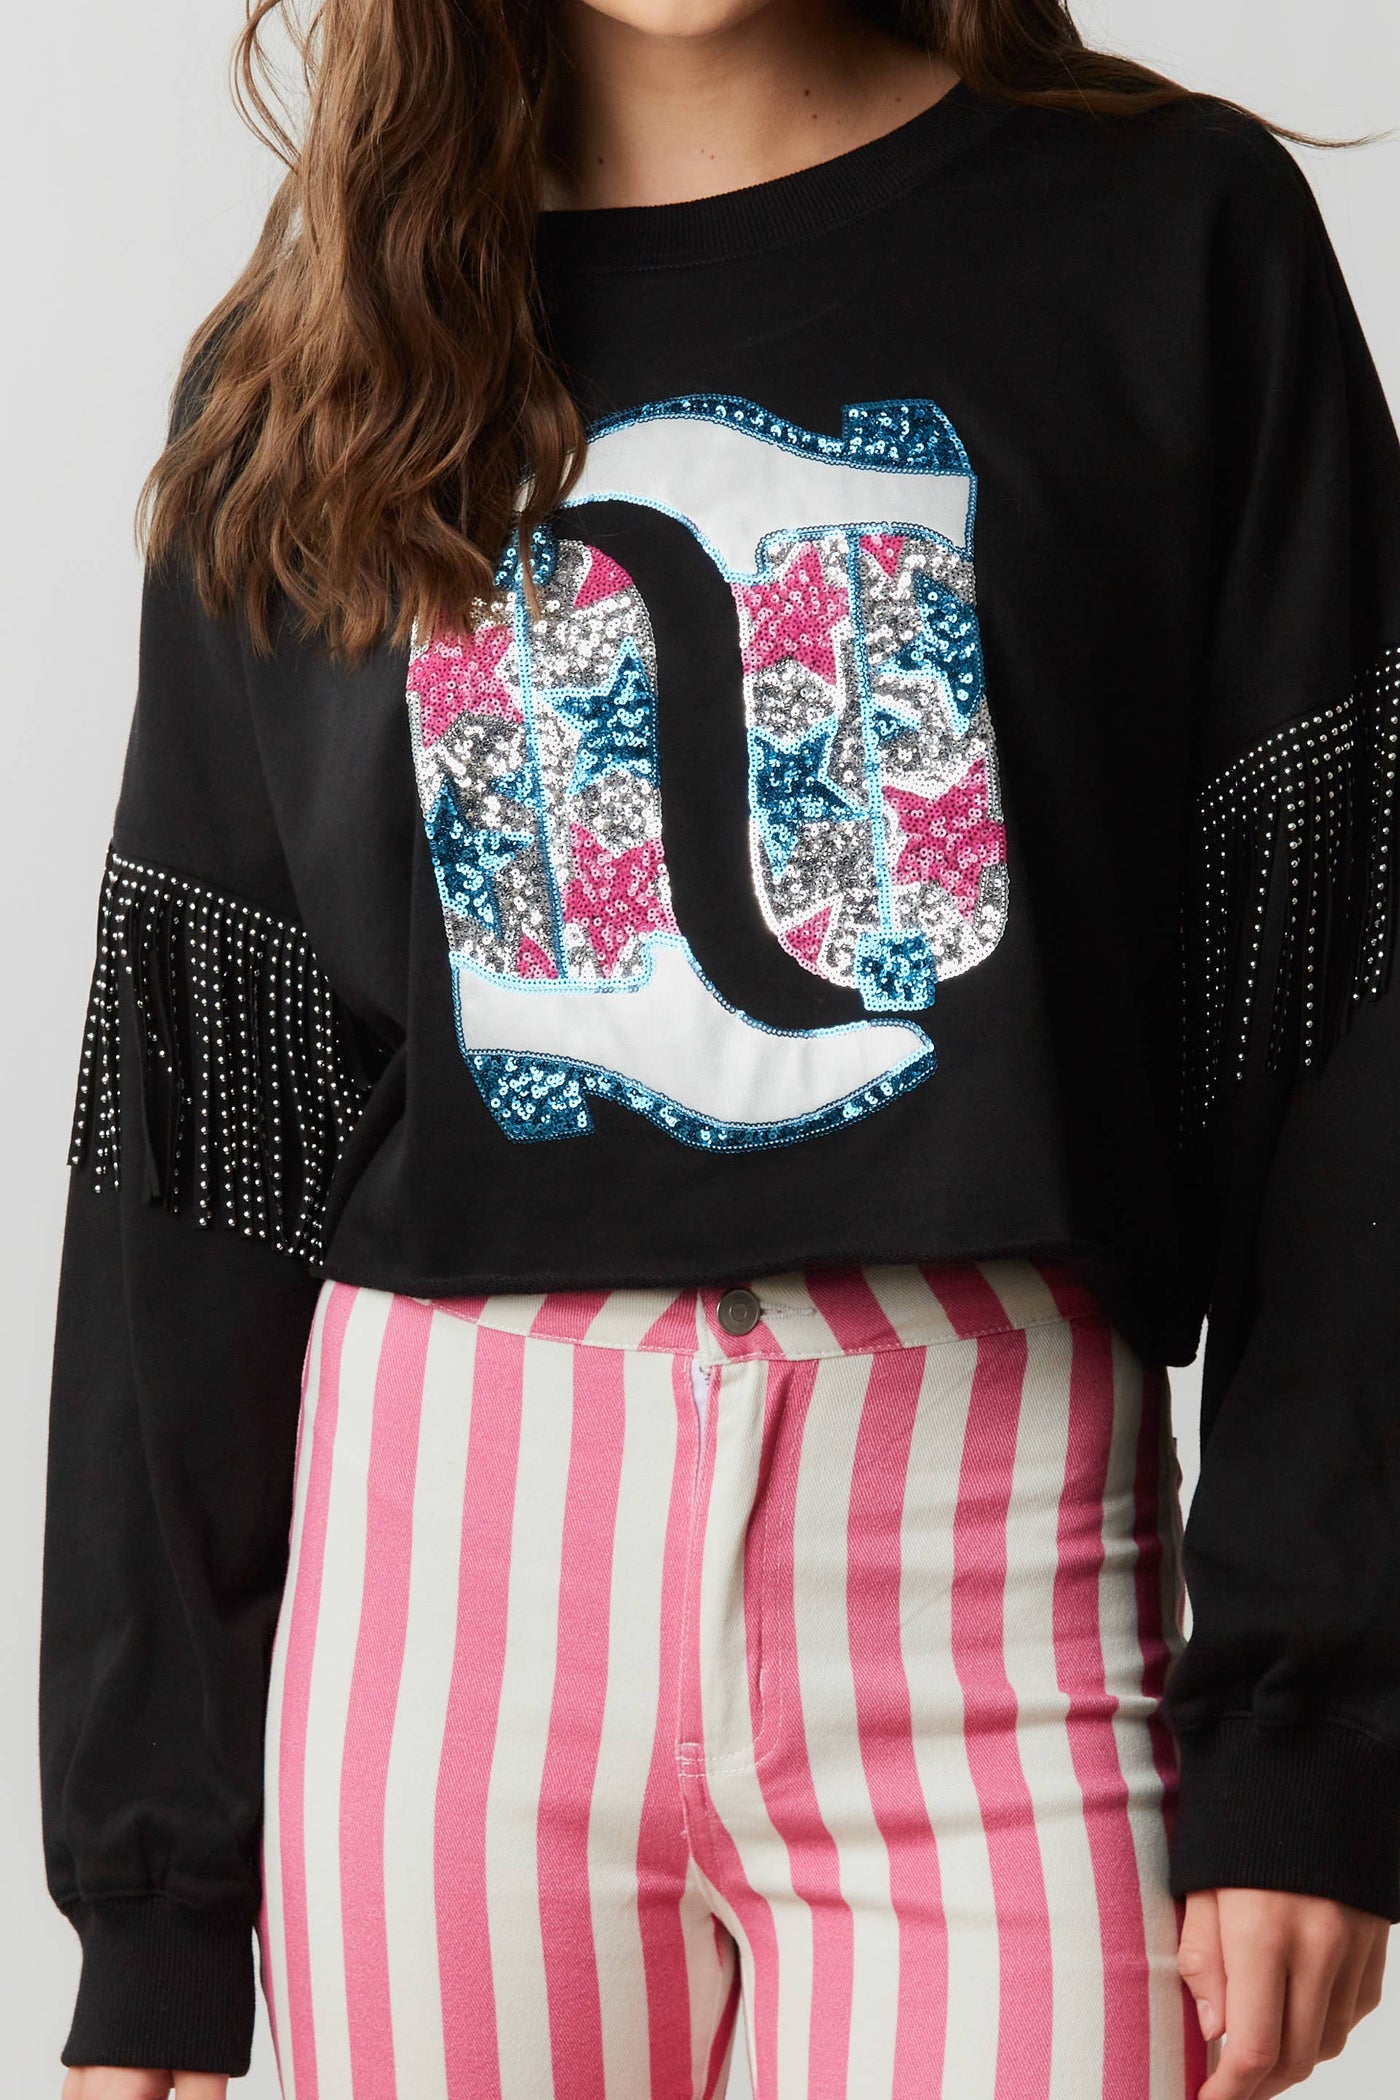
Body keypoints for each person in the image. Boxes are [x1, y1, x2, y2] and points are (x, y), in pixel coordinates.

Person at [42, 1, 1400, 2096]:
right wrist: (154, 1885)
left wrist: (1316, 1717)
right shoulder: (306, 359)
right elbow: (206, 1127)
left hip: (990, 1579)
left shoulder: (1168, 241)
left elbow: (1345, 1010)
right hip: (447, 1600)